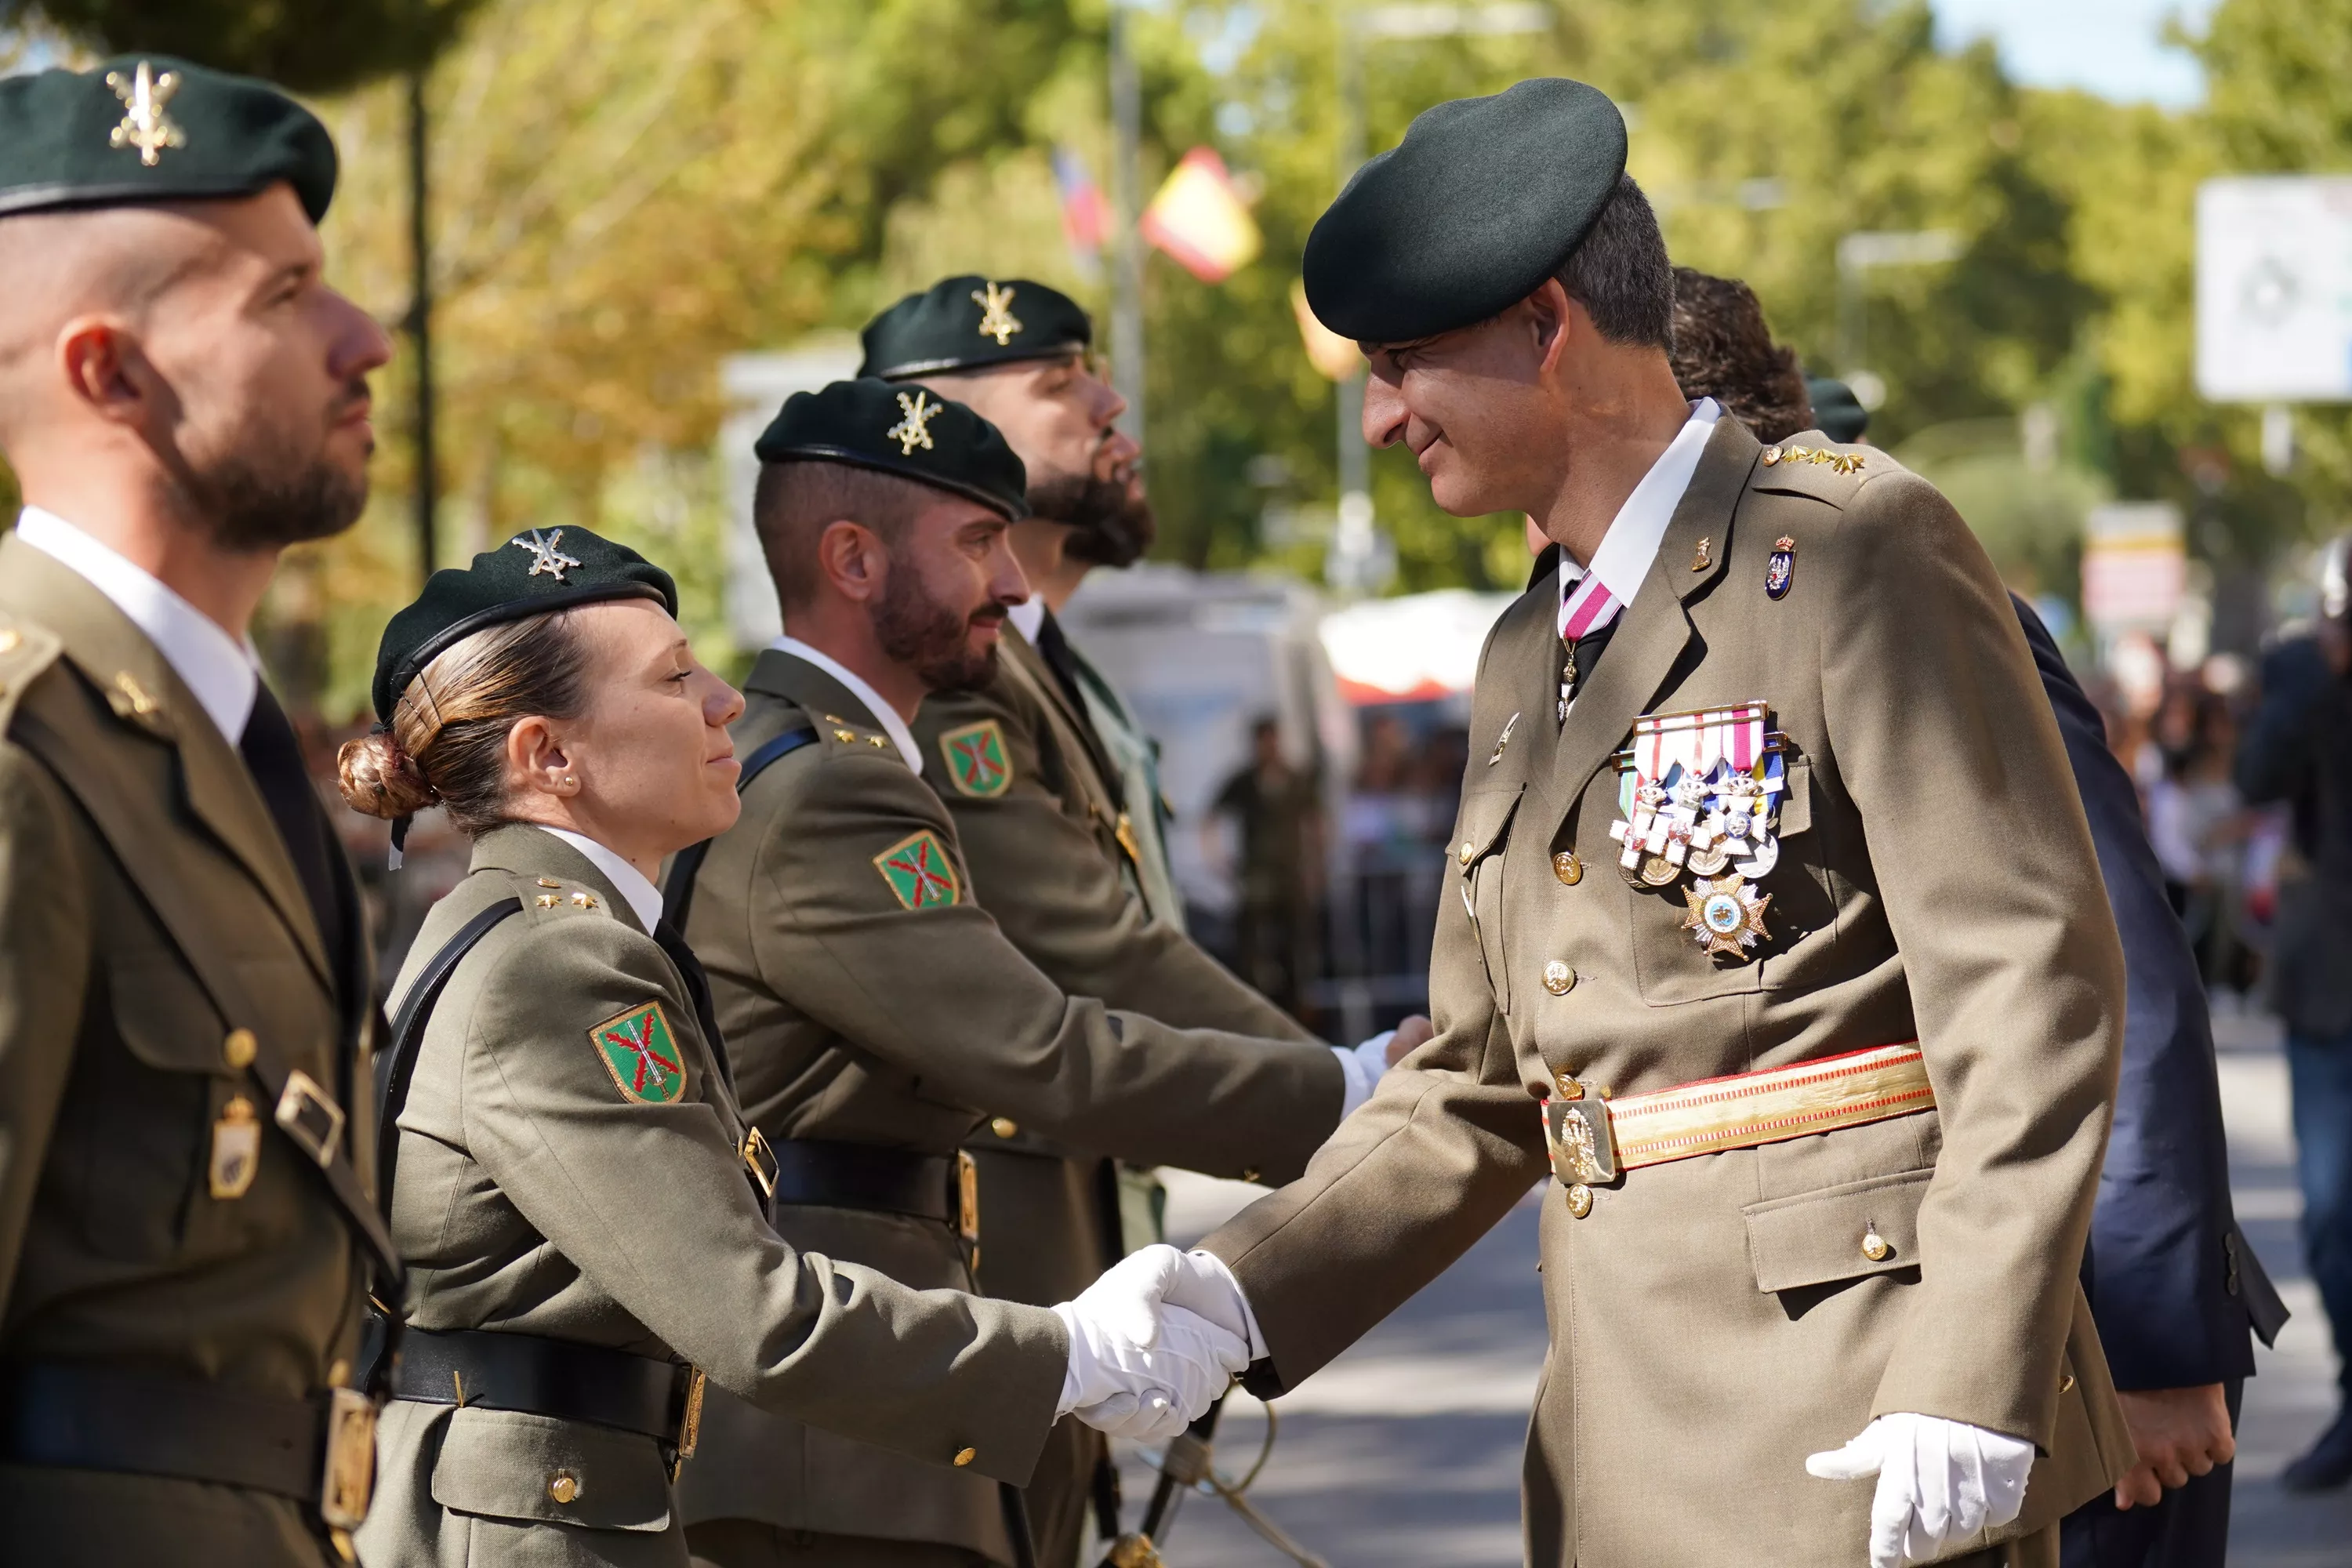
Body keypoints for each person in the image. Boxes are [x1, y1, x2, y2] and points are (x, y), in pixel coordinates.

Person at [1098, 78, 2136, 1568]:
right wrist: (1235, 1295)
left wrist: (1974, 1369)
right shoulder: (1532, 652)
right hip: (1621, 1434)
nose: (1383, 419)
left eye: (1404, 365)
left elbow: (2027, 979)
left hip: (1852, 1401)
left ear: (1546, 323)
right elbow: (1480, 1079)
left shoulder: (1847, 553)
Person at [339, 522, 1242, 1567]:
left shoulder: (544, 929)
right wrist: (1072, 1354)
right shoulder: (558, 966)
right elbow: (751, 1309)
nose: (726, 700)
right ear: (551, 756)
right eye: (675, 679)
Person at [669, 379, 1401, 1568]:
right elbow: (1044, 1051)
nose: (1012, 587)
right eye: (976, 544)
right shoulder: (832, 791)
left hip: (852, 1429)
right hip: (837, 1456)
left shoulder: (807, 760)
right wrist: (1361, 1095)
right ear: (853, 561)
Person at [1673, 282, 2286, 1566]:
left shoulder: (1922, 619)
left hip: (2081, 1348)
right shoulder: (1700, 648)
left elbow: (2110, 974)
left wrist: (2157, 1341)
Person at [856, 284, 1417, 1563]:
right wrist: (1355, 1100)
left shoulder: (1048, 660)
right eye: (1060, 385)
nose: (1113, 409)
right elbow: (1099, 950)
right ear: (932, 429)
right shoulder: (954, 682)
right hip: (984, 1254)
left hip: (1073, 1220)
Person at [0, 56, 403, 1565]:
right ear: (110, 372)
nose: (365, 339)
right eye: (287, 297)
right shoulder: (24, 750)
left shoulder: (202, 737)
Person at [2235, 537, 2352, 1493]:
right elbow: (2257, 775)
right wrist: (2324, 670)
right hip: (2331, 986)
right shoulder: (2303, 674)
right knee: (2333, 1211)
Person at [1210, 714, 1327, 1014]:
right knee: (1251, 945)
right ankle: (1255, 1006)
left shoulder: (1295, 779)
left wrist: (1317, 863)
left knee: (1294, 946)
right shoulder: (1244, 781)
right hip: (1257, 876)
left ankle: (1295, 1005)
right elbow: (1210, 818)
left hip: (1290, 874)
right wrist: (1217, 860)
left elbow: (1316, 822)